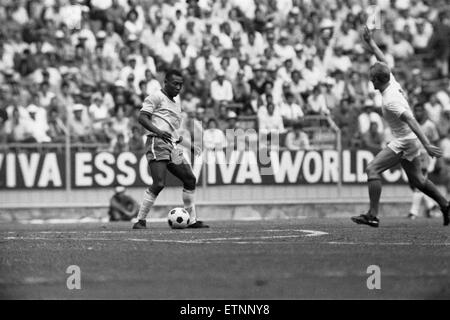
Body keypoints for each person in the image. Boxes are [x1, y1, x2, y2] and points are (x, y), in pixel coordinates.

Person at [351, 27, 449, 228]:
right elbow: (382, 59)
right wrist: (371, 43)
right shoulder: (391, 81)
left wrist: (428, 145)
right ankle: (446, 205)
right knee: (419, 181)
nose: (371, 83)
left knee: (372, 169)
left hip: (404, 141)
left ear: (379, 80)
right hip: (408, 141)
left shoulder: (390, 101)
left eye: (372, 80)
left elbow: (412, 120)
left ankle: (372, 214)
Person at [132, 69, 208, 229]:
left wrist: (190, 146)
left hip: (172, 146)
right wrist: (158, 132)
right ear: (165, 82)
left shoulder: (176, 105)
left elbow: (174, 133)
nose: (178, 87)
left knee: (190, 179)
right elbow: (142, 117)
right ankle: (140, 220)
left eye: (181, 84)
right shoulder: (156, 97)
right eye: (175, 83)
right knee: (159, 183)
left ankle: (192, 220)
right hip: (156, 142)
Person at [408, 103, 441, 219]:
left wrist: (436, 158)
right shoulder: (411, 124)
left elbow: (436, 141)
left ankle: (413, 212)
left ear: (424, 112)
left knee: (419, 183)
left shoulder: (430, 126)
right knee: (415, 184)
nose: (418, 113)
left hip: (424, 157)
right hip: (412, 156)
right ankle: (433, 206)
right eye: (416, 111)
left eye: (420, 111)